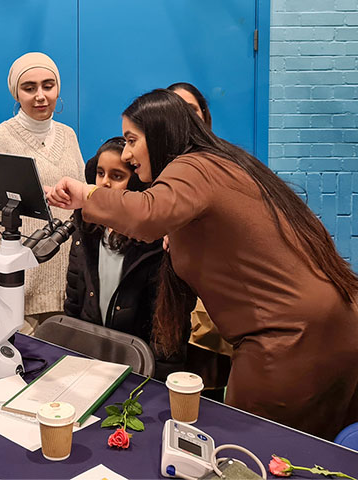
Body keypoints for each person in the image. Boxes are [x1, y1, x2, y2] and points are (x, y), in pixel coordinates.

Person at [45, 88, 358, 440]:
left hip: (290, 341)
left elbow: (148, 213)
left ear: (162, 131)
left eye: (132, 140)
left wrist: (87, 193)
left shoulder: (193, 166)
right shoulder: (221, 164)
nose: (128, 153)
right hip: (334, 326)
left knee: (253, 453)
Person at [0, 52, 84, 334]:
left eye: (48, 85)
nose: (40, 96)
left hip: (68, 282)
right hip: (18, 285)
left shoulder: (68, 135)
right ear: (16, 93)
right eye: (29, 87)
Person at [64, 137, 187, 380]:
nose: (104, 183)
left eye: (117, 176)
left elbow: (166, 329)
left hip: (140, 371)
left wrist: (158, 385)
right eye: (100, 174)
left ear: (138, 186)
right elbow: (74, 302)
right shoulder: (85, 234)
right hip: (89, 363)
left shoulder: (157, 244)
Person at [167, 82, 232, 401]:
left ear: (204, 115)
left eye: (191, 109)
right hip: (166, 293)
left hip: (208, 291)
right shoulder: (152, 162)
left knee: (205, 386)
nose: (185, 117)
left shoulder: (222, 162)